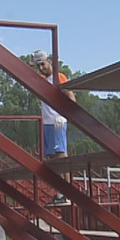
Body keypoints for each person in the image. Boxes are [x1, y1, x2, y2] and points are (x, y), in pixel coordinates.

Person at [31, 49, 74, 206]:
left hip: (57, 120)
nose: (41, 68)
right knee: (51, 157)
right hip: (47, 122)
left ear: (49, 61)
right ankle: (60, 192)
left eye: (42, 64)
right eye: (38, 66)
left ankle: (67, 192)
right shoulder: (43, 80)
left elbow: (71, 97)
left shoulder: (59, 77)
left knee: (61, 155)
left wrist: (64, 116)